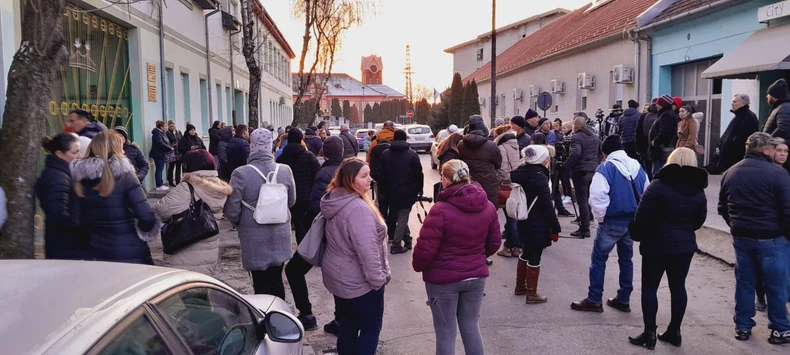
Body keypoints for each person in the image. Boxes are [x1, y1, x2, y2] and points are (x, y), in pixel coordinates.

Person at [412, 159, 501, 355]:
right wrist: (476, 256)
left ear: (445, 179)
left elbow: (425, 251)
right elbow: (494, 242)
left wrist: (419, 265)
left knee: (445, 331)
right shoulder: (487, 206)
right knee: (471, 326)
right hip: (476, 276)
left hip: (443, 279)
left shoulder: (440, 210)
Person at [626, 147, 707, 349]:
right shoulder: (698, 189)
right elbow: (699, 220)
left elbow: (641, 216)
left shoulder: (658, 185)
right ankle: (674, 331)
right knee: (678, 287)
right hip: (684, 245)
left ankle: (649, 333)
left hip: (656, 244)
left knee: (650, 287)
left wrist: (637, 232)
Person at [718, 132, 790, 344]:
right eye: (773, 148)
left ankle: (742, 326)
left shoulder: (730, 172)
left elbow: (722, 207)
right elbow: (787, 209)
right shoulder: (778, 174)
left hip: (742, 236)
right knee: (776, 285)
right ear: (765, 150)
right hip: (772, 237)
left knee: (745, 283)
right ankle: (780, 329)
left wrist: (736, 225)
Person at [321, 158, 390, 355]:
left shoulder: (336, 198)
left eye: (369, 174)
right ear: (350, 180)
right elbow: (367, 252)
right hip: (359, 282)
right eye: (364, 176)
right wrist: (378, 280)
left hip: (339, 277)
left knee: (348, 325)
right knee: (370, 329)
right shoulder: (358, 209)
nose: (370, 179)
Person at [572, 135, 647, 313]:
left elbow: (597, 197)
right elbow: (646, 191)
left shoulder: (606, 168)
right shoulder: (637, 166)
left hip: (612, 220)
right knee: (626, 260)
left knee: (599, 260)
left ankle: (594, 298)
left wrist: (601, 218)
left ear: (605, 152)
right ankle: (624, 298)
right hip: (632, 220)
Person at [224, 129, 297, 298]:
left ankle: (264, 313)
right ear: (270, 145)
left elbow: (232, 210)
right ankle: (279, 312)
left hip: (253, 236)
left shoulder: (241, 173)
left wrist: (241, 223)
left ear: (252, 146)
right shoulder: (284, 170)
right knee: (277, 279)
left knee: (260, 282)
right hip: (280, 233)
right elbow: (292, 201)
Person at [71, 131, 161, 264]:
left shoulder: (79, 180)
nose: (124, 151)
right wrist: (143, 231)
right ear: (116, 149)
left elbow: (76, 221)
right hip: (129, 249)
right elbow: (146, 216)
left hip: (95, 249)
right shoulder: (126, 176)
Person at [153, 150, 232, 274]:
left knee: (186, 283)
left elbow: (161, 209)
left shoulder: (188, 187)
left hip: (185, 247)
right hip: (209, 248)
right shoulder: (220, 187)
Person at [276, 128, 321, 331]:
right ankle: (305, 248)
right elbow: (317, 175)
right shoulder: (308, 156)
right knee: (305, 225)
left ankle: (301, 247)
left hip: (291, 200)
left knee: (297, 223)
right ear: (301, 139)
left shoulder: (282, 158)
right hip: (307, 198)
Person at [510, 145, 562, 303]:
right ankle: (532, 293)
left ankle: (520, 286)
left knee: (526, 251)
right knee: (535, 256)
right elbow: (547, 205)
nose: (548, 160)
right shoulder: (539, 177)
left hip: (523, 218)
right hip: (538, 221)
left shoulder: (519, 173)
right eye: (546, 158)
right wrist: (555, 227)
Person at [307, 136, 345, 335]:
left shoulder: (324, 173)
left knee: (338, 275)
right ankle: (345, 318)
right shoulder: (349, 170)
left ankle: (340, 319)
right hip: (349, 231)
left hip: (332, 231)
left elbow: (317, 205)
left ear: (325, 152)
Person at [37, 134, 87, 260]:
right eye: (74, 152)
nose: (79, 156)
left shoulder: (62, 173)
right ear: (59, 154)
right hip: (65, 245)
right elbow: (57, 214)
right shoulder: (58, 178)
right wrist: (81, 225)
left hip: (65, 243)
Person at [380, 129, 424, 254]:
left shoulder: (385, 154)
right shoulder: (412, 154)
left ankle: (408, 239)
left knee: (399, 215)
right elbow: (419, 174)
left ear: (394, 138)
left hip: (390, 191)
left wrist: (382, 189)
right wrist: (419, 190)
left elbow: (381, 174)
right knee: (403, 215)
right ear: (406, 138)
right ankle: (396, 244)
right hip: (408, 190)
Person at [567, 116, 602, 238]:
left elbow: (576, 153)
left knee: (582, 200)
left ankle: (585, 228)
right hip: (592, 170)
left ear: (575, 126)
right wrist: (595, 163)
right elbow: (600, 153)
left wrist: (567, 165)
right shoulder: (594, 137)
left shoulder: (576, 137)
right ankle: (588, 220)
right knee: (588, 198)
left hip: (581, 171)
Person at [492, 126, 523, 257]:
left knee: (510, 218)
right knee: (513, 215)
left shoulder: (501, 147)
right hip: (515, 182)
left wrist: (497, 180)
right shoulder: (515, 145)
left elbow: (503, 169)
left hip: (505, 184)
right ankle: (509, 246)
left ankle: (516, 246)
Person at [459, 115, 502, 206]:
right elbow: (498, 164)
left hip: (468, 183)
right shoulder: (491, 146)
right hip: (488, 184)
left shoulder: (461, 145)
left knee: (469, 208)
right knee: (489, 209)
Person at [713, 94, 759, 174]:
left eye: (735, 102)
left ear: (743, 104)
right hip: (730, 161)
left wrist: (732, 140)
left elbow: (751, 137)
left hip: (736, 160)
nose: (732, 104)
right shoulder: (738, 116)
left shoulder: (750, 117)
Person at [762, 78, 790, 173]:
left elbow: (783, 128)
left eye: (769, 94)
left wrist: (768, 142)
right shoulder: (780, 107)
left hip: (779, 151)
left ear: (774, 95)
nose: (767, 97)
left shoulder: (785, 107)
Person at [649, 95, 680, 176]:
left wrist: (655, 142)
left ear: (663, 105)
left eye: (658, 104)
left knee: (658, 174)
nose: (656, 105)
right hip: (664, 149)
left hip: (661, 151)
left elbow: (665, 132)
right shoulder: (667, 114)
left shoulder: (666, 115)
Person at [637, 101, 659, 179]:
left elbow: (638, 132)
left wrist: (638, 147)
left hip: (645, 145)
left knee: (647, 167)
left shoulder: (643, 116)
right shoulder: (660, 116)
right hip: (656, 146)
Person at [149, 120, 174, 191]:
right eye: (165, 126)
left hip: (161, 154)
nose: (166, 127)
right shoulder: (157, 134)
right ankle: (159, 185)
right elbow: (160, 143)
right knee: (159, 169)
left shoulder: (162, 133)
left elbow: (166, 142)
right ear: (161, 127)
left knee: (160, 169)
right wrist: (170, 148)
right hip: (158, 154)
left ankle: (160, 184)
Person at [165, 121, 184, 187]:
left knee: (178, 167)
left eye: (173, 126)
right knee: (171, 167)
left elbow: (182, 140)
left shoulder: (178, 132)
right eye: (170, 126)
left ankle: (178, 181)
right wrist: (172, 145)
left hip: (179, 152)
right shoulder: (167, 133)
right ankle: (170, 181)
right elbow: (166, 142)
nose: (172, 127)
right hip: (172, 152)